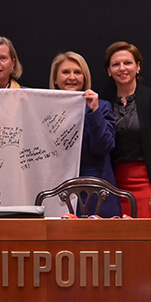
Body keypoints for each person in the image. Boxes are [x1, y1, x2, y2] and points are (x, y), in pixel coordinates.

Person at [104, 42, 151, 217]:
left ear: (138, 66)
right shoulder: (103, 102)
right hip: (112, 186)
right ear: (109, 70)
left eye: (128, 63)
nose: (122, 68)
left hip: (148, 185)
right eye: (115, 64)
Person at [50, 52, 119, 217]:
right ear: (55, 79)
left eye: (77, 72)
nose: (72, 77)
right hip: (57, 190)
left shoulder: (101, 107)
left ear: (85, 77)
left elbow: (103, 147)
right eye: (66, 72)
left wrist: (94, 111)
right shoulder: (45, 109)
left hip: (95, 194)